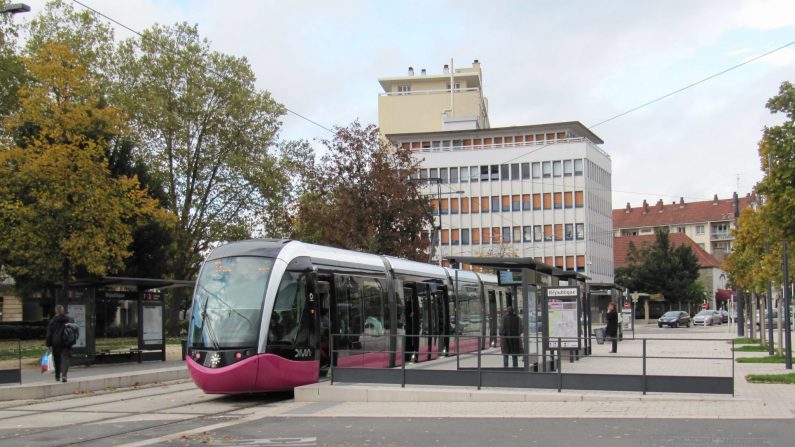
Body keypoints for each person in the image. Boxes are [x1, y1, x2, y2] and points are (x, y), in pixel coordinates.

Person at [45, 305, 75, 382]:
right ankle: (64, 375)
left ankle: (57, 376)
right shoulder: (68, 319)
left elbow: (49, 334)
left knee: (57, 359)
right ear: (63, 311)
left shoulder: (52, 321)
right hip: (66, 342)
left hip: (56, 343)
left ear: (56, 311)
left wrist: (48, 344)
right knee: (65, 358)